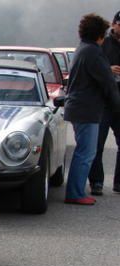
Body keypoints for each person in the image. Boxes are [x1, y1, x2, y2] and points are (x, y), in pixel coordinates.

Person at [64, 13, 120, 205]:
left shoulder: (84, 49)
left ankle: (76, 190)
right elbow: (107, 83)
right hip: (87, 109)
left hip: (80, 107)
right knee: (86, 153)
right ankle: (75, 192)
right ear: (99, 35)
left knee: (85, 151)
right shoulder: (94, 52)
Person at [89, 11, 120, 195]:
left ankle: (119, 183)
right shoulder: (102, 43)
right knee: (97, 144)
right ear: (114, 24)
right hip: (103, 101)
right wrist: (108, 69)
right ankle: (97, 182)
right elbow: (92, 66)